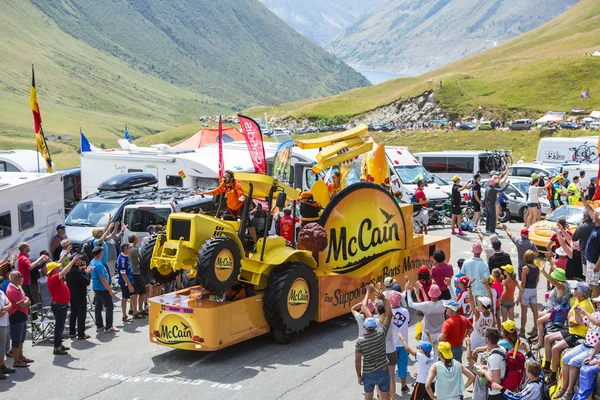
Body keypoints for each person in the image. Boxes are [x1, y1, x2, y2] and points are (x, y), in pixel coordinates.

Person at [544, 281, 593, 386]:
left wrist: (570, 317)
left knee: (555, 348)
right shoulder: (578, 300)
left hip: (578, 335)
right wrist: (570, 317)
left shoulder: (585, 305)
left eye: (575, 289)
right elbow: (569, 317)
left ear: (579, 292)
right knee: (547, 338)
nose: (573, 291)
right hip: (572, 331)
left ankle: (553, 376)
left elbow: (571, 323)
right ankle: (547, 367)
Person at [553, 294, 600, 400]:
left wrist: (585, 311)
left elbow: (597, 322)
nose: (596, 304)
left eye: (598, 303)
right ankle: (564, 388)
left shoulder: (595, 316)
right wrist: (577, 313)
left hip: (593, 349)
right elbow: (580, 322)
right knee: (565, 359)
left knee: (573, 362)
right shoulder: (595, 314)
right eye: (596, 302)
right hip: (585, 345)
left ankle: (569, 391)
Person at [355, 285, 393, 400]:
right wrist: (384, 299)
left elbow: (357, 360)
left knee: (368, 394)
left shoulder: (360, 341)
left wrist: (359, 375)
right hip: (383, 369)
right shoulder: (381, 334)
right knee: (385, 394)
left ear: (365, 327)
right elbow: (389, 315)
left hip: (368, 371)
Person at [532, 261, 570, 349]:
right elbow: (556, 269)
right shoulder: (565, 283)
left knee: (539, 321)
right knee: (538, 314)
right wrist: (550, 260)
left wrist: (543, 271)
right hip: (552, 309)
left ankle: (540, 343)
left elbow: (551, 280)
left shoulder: (561, 286)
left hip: (557, 313)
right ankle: (539, 334)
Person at [47, 256, 80, 355]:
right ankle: (57, 347)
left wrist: (65, 256)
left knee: (60, 326)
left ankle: (59, 344)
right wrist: (73, 261)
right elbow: (64, 271)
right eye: (57, 268)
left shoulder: (53, 275)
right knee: (59, 326)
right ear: (53, 270)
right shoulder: (53, 277)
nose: (59, 268)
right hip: (59, 306)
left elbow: (60, 265)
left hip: (61, 305)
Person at [407, 282, 446, 352]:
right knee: (439, 356)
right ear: (439, 294)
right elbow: (455, 299)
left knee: (425, 356)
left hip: (427, 335)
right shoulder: (443, 303)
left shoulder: (427, 305)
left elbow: (410, 304)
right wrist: (449, 286)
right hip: (440, 334)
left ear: (430, 294)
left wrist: (408, 290)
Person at [397, 332, 435, 400]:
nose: (419, 348)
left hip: (421, 383)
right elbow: (432, 346)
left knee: (415, 398)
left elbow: (408, 349)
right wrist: (429, 336)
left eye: (420, 348)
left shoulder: (421, 357)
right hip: (431, 382)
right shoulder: (432, 355)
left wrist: (402, 339)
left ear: (422, 350)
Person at [6, 271, 32, 368]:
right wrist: (28, 301)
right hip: (16, 317)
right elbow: (23, 304)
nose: (22, 278)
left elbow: (24, 299)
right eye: (20, 276)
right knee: (16, 340)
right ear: (14, 279)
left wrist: (26, 300)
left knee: (21, 338)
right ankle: (16, 361)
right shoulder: (12, 290)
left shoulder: (18, 287)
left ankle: (20, 357)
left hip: (22, 316)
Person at [90, 246, 118, 333]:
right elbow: (103, 279)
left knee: (98, 306)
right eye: (103, 251)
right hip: (102, 288)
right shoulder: (98, 265)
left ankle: (99, 325)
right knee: (109, 306)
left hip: (96, 287)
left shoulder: (93, 261)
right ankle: (109, 326)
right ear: (100, 254)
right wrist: (110, 290)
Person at [389, 291, 411, 393]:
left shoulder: (387, 313)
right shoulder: (405, 311)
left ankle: (390, 388)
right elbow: (408, 321)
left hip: (391, 345)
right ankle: (403, 385)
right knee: (403, 365)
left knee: (390, 368)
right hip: (403, 344)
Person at [66, 254, 91, 340]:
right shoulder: (75, 272)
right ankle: (81, 334)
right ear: (75, 261)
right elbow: (86, 281)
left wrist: (83, 269)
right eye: (79, 259)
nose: (80, 260)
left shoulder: (70, 270)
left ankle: (72, 332)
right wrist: (88, 273)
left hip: (72, 295)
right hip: (80, 295)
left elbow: (79, 274)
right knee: (81, 315)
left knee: (73, 314)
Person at [516, 250, 539, 338]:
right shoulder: (537, 267)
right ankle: (536, 328)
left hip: (526, 291)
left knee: (524, 312)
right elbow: (537, 280)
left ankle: (522, 330)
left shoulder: (525, 268)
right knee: (535, 311)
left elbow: (523, 283)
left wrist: (519, 296)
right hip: (534, 289)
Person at [581, 192, 600, 298]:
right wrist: (583, 197)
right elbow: (589, 208)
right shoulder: (596, 224)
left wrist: (597, 265)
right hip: (590, 260)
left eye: (594, 215)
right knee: (589, 284)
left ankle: (597, 309)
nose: (592, 215)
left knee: (594, 285)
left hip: (594, 262)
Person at [117, 243, 138, 322]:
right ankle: (124, 315)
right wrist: (129, 285)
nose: (131, 249)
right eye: (129, 247)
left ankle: (135, 313)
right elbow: (123, 274)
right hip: (125, 282)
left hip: (130, 279)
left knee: (134, 295)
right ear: (125, 249)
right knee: (125, 298)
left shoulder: (126, 256)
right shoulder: (122, 259)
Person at [128, 234, 147, 317]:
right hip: (137, 272)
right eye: (136, 238)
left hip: (131, 272)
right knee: (142, 292)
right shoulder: (135, 249)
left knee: (133, 292)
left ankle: (132, 308)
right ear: (134, 240)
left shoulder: (128, 248)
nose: (137, 239)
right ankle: (140, 309)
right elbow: (141, 259)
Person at [573, 211, 594, 279]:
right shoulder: (596, 226)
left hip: (585, 254)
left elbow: (574, 238)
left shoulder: (582, 227)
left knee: (587, 276)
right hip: (596, 255)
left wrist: (580, 224)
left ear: (584, 218)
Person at [0, 283, 14, 378]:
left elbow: (10, 304)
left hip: (5, 323)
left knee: (3, 347)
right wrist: (5, 308)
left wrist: (4, 308)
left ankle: (2, 366)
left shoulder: (1, 292)